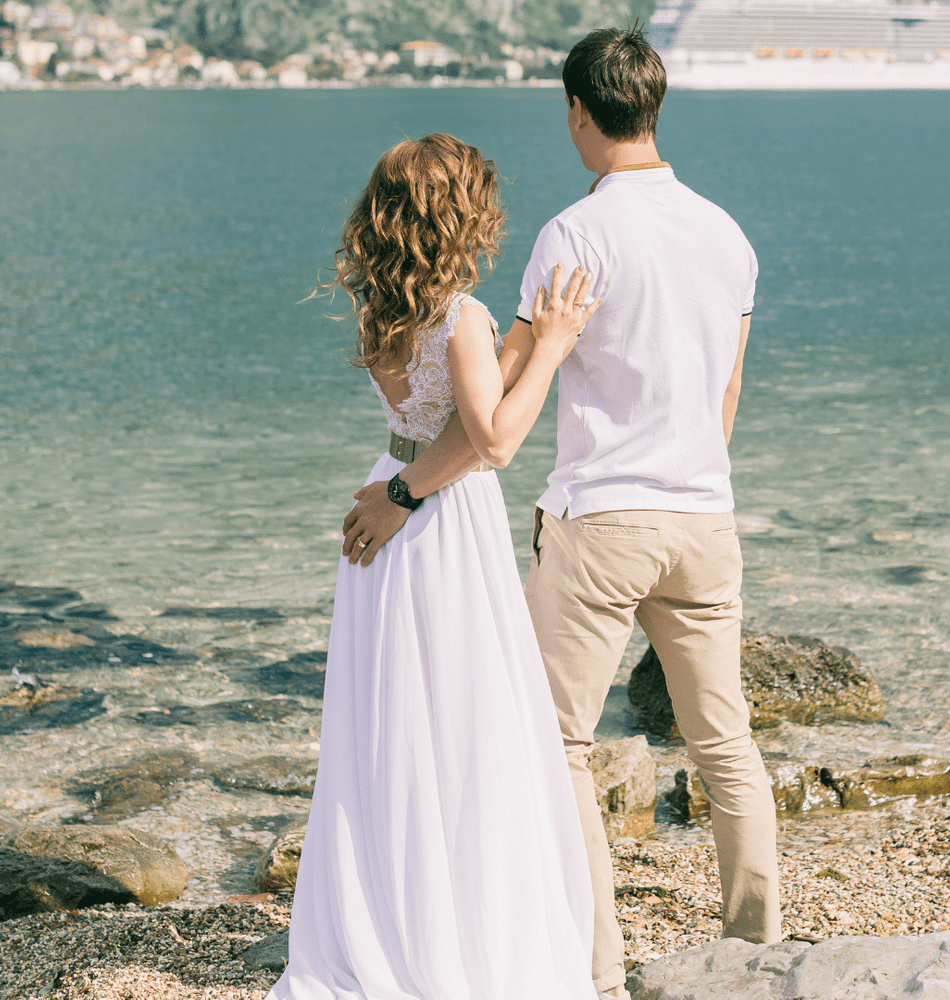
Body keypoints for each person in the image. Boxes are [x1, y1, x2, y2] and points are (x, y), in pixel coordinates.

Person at [342, 23, 781, 1000]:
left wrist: (411, 480)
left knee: (558, 745)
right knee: (726, 742)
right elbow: (725, 396)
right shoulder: (728, 237)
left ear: (580, 114)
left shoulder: (574, 235)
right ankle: (759, 952)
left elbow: (485, 406)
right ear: (655, 107)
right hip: (704, 514)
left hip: (599, 519)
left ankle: (595, 965)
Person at [267, 133, 603, 1000]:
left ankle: (394, 906)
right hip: (441, 517)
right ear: (462, 213)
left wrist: (520, 341)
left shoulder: (386, 302)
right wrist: (556, 346)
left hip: (392, 482)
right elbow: (491, 438)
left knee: (395, 723)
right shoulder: (460, 314)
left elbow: (454, 403)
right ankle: (455, 929)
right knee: (462, 720)